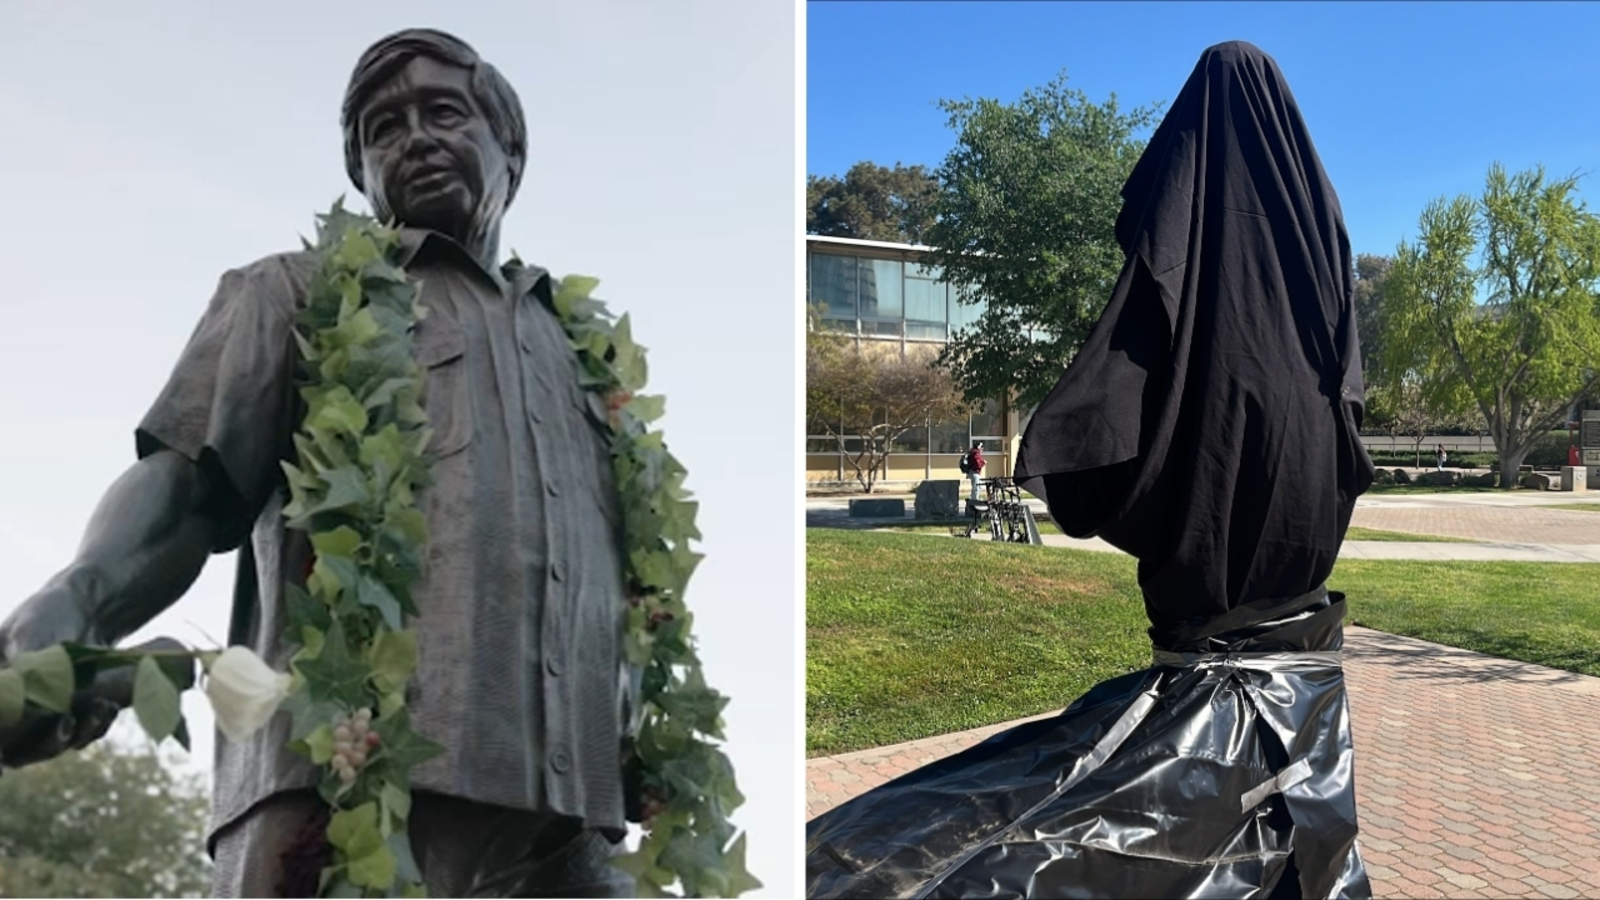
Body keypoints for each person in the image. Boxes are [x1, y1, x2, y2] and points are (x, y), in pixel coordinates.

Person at [0, 29, 635, 898]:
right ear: (362, 174)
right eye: (384, 130)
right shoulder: (297, 292)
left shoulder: (585, 356)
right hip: (338, 797)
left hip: (570, 827)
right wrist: (79, 599)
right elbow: (186, 487)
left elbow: (632, 587)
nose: (415, 139)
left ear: (510, 149)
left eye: (444, 113)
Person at [807, 41, 1373, 898]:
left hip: (1207, 685)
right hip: (1309, 692)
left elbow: (1090, 464)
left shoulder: (1187, 289)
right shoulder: (1324, 300)